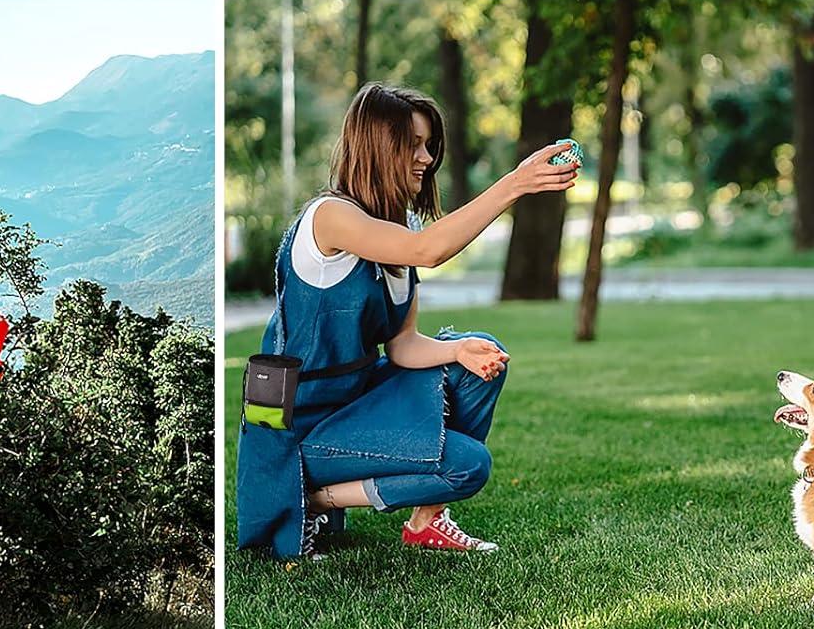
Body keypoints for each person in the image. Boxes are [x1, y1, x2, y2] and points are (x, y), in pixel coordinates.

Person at [236, 83, 579, 559]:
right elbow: (429, 250)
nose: (427, 157)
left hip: (354, 403)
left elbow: (402, 345)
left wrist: (458, 351)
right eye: (413, 145)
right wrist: (515, 183)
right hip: (297, 427)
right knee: (469, 466)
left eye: (428, 145)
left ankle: (427, 520)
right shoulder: (330, 218)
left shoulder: (397, 232)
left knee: (477, 356)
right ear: (378, 148)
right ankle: (309, 497)